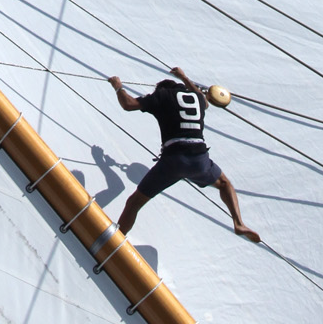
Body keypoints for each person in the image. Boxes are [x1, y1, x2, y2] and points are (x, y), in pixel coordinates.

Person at [108, 65, 259, 241]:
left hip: (173, 160)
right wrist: (184, 77)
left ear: (162, 89)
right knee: (225, 183)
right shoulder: (198, 98)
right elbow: (205, 100)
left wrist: (118, 87)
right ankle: (239, 222)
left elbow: (128, 104)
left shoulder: (162, 96)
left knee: (134, 203)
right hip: (199, 160)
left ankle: (116, 241)